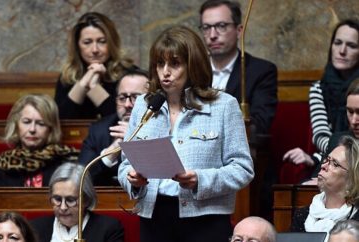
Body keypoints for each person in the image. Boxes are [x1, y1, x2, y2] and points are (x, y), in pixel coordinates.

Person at [118, 26, 254, 242]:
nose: (165, 71)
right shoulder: (144, 105)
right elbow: (125, 164)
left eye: (174, 63)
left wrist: (200, 179)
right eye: (160, 63)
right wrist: (132, 180)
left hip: (205, 220)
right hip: (154, 217)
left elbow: (242, 169)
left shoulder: (223, 106)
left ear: (193, 65)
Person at [283, 19, 359, 181]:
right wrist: (335, 155)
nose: (342, 51)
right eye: (337, 43)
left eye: (351, 46)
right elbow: (320, 135)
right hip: (334, 154)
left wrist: (320, 157)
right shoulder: (319, 88)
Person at [199, 0, 278, 140]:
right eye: (206, 27)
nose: (212, 35)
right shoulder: (193, 70)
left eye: (221, 26)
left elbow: (260, 124)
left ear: (239, 30)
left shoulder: (261, 71)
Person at [55, 12, 134, 119]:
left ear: (111, 44)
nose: (95, 50)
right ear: (77, 46)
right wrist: (84, 83)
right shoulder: (67, 77)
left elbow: (123, 120)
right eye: (87, 42)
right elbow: (61, 121)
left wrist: (94, 87)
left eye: (102, 42)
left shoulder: (130, 75)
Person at [79, 66, 149, 185]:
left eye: (136, 98)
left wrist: (136, 139)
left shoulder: (165, 127)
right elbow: (81, 180)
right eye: (122, 98)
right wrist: (115, 148)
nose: (127, 104)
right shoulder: (98, 130)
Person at [0, 94, 79, 187]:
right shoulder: (2, 165)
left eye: (41, 123)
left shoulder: (66, 163)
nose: (32, 129)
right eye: (26, 122)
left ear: (50, 128)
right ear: (16, 125)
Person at [30, 162, 124, 242]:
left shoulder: (108, 228)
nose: (63, 207)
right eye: (57, 199)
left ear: (86, 200)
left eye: (70, 200)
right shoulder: (35, 227)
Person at [291, 135, 359, 233]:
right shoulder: (302, 216)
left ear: (351, 178)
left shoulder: (356, 219)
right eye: (327, 160)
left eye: (335, 164)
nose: (323, 166)